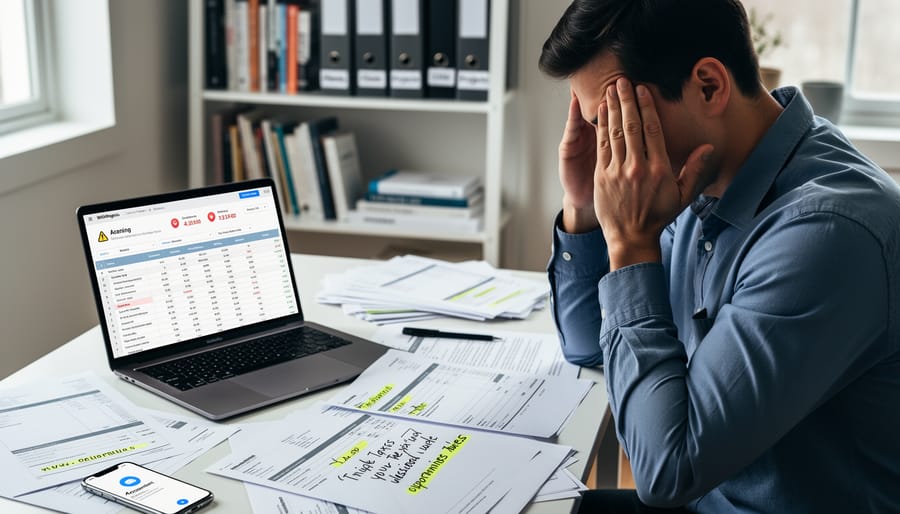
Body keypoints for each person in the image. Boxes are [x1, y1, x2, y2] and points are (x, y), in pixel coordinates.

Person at [539, 1, 900, 512]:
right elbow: (586, 347)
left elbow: (665, 472)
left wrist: (629, 246)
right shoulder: (697, 177)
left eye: (621, 118)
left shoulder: (827, 233)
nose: (612, 154)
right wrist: (582, 207)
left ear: (708, 86)